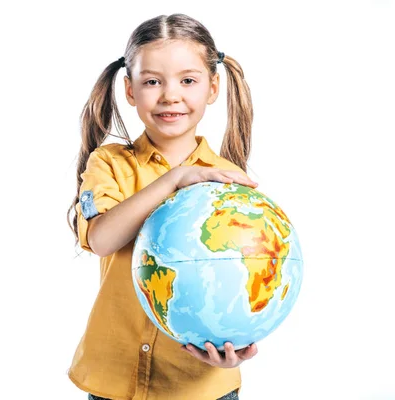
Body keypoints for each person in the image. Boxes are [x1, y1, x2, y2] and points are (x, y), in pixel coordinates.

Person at [66, 13, 259, 400]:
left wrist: (235, 349)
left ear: (213, 87)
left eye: (188, 80)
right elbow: (102, 239)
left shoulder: (226, 180)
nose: (170, 95)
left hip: (201, 385)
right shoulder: (110, 164)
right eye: (152, 81)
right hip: (113, 381)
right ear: (130, 90)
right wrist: (175, 179)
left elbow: (244, 278)